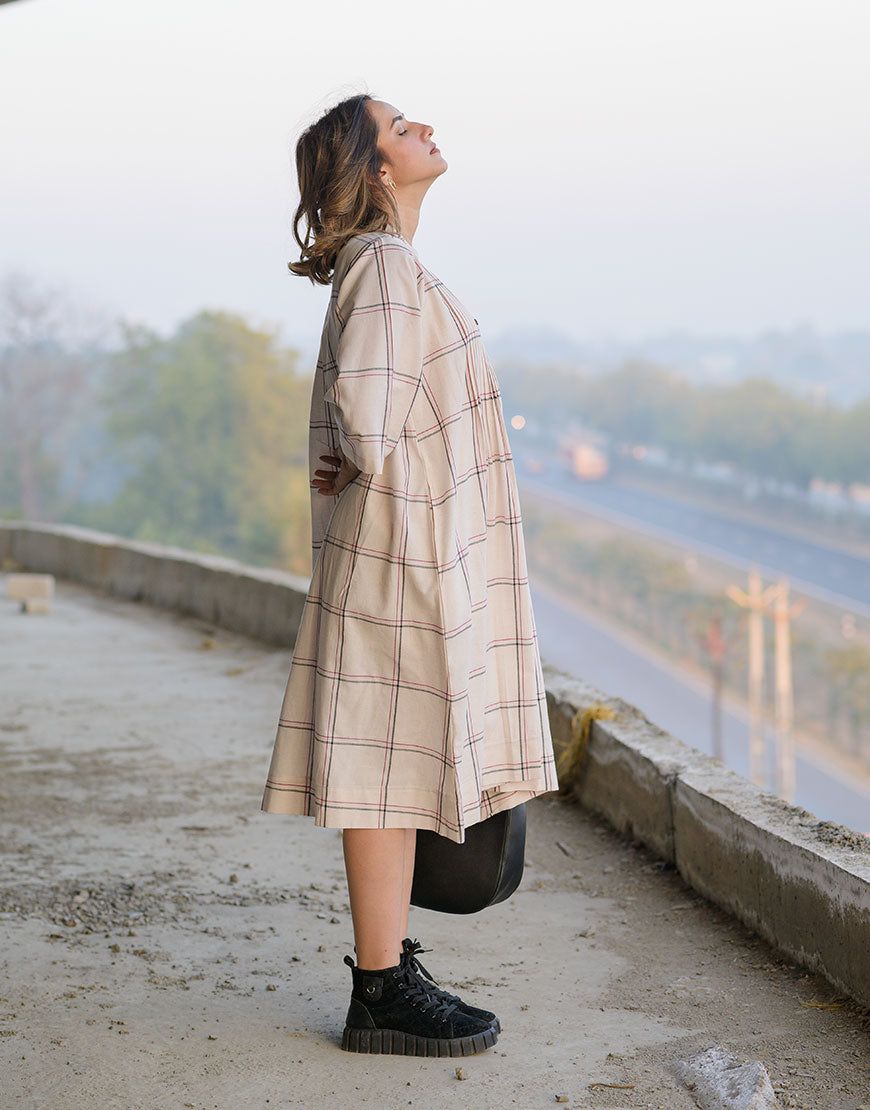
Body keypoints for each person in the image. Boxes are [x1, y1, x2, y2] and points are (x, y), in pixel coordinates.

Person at [261, 92, 558, 1057]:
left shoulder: (379, 267)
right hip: (404, 564)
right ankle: (382, 991)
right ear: (378, 170)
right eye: (398, 125)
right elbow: (368, 407)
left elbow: (362, 416)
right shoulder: (386, 268)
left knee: (383, 774)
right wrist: (374, 461)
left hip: (392, 557)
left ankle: (384, 982)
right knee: (387, 774)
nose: (421, 123)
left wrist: (358, 456)